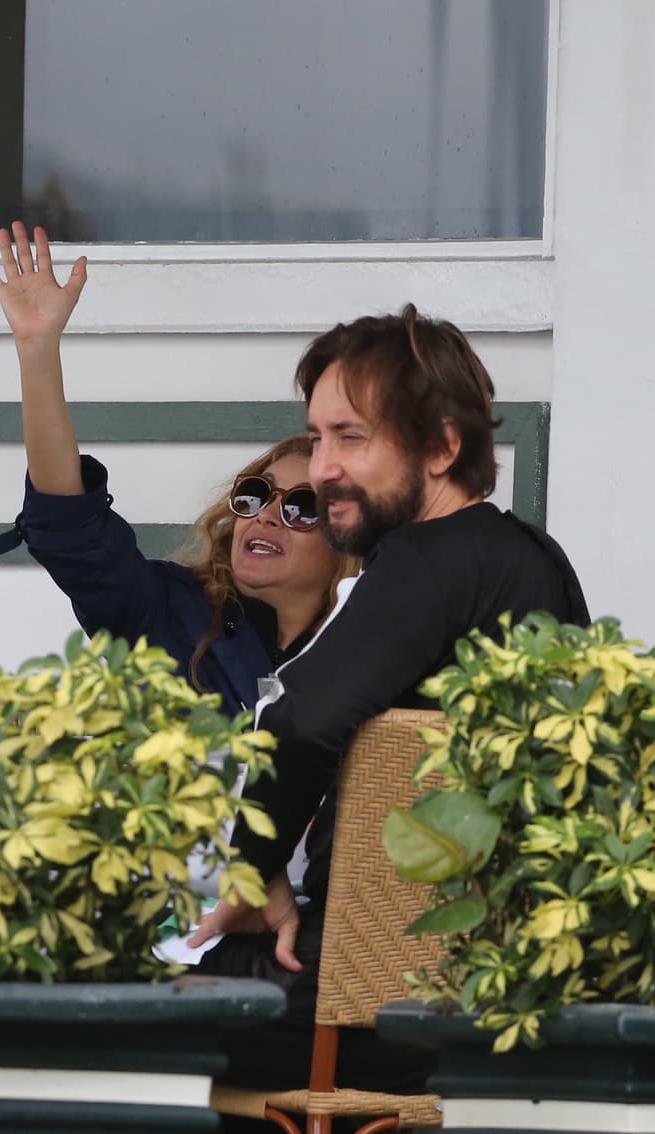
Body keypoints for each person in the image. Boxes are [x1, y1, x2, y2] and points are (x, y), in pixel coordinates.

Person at [187, 304, 591, 1118]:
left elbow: (300, 721)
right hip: (489, 989)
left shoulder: (424, 558)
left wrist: (252, 873)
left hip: (360, 1001)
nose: (324, 468)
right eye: (318, 437)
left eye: (352, 438)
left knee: (86, 996)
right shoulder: (536, 562)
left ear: (441, 447)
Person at [0, 223, 351, 712]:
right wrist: (37, 348)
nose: (266, 516)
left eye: (301, 506)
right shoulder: (170, 613)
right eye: (255, 495)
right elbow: (70, 529)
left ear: (349, 536)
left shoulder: (378, 647)